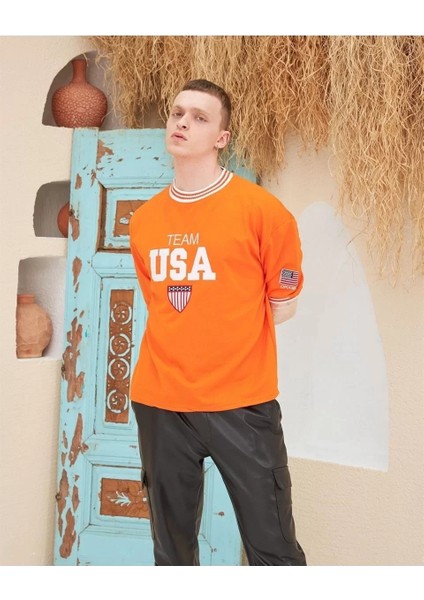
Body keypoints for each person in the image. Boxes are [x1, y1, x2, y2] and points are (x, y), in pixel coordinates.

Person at [129, 79, 307, 566]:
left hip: (241, 404)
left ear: (221, 138)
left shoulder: (262, 212)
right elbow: (163, 306)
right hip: (161, 403)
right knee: (172, 555)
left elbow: (282, 303)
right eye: (177, 113)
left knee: (273, 550)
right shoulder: (144, 221)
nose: (182, 122)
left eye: (200, 117)